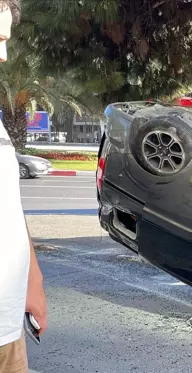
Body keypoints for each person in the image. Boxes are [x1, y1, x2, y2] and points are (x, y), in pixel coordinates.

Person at [0, 1, 49, 372]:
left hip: (8, 325)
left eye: (5, 41)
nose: (3, 55)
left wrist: (33, 278)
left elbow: (8, 205)